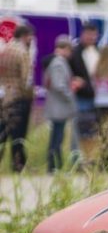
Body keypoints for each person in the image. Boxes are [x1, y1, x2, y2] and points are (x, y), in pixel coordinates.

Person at [0, 22, 35, 172]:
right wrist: (28, 95)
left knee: (2, 132)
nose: (31, 40)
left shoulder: (5, 49)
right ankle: (18, 164)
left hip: (3, 95)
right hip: (18, 96)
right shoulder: (22, 52)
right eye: (30, 37)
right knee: (18, 134)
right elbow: (26, 79)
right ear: (25, 36)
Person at [43, 35, 77, 173]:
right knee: (57, 137)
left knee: (58, 135)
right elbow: (59, 85)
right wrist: (70, 96)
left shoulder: (56, 62)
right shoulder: (58, 63)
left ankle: (56, 164)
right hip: (58, 106)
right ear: (65, 49)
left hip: (57, 106)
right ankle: (54, 166)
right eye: (69, 50)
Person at [69, 21, 99, 164]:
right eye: (89, 35)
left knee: (93, 130)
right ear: (83, 35)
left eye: (93, 35)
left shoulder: (98, 52)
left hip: (98, 97)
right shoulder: (76, 53)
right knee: (79, 130)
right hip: (81, 96)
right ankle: (77, 159)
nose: (91, 38)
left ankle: (91, 158)